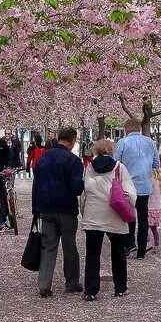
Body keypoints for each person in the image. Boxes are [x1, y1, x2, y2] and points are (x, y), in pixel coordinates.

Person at [31, 126, 85, 298]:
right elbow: (77, 188)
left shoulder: (43, 158)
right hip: (66, 208)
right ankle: (71, 283)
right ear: (72, 140)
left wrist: (35, 208)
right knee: (69, 246)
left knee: (48, 246)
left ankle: (44, 284)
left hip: (45, 207)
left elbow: (36, 184)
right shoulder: (73, 160)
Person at [79, 139, 131, 300]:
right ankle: (120, 287)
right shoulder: (119, 168)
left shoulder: (89, 168)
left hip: (94, 214)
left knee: (92, 253)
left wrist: (84, 212)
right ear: (112, 151)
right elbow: (130, 192)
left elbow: (84, 193)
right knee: (118, 252)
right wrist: (128, 210)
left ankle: (91, 290)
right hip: (114, 214)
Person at [113, 118, 161, 259]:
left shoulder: (122, 142)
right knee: (143, 217)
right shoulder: (150, 142)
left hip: (128, 185)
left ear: (127, 129)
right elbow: (156, 163)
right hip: (145, 185)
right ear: (139, 128)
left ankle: (129, 243)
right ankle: (141, 250)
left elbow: (115, 162)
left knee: (128, 215)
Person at [147, 167, 161, 250]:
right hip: (157, 208)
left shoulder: (151, 182)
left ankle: (147, 243)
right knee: (154, 229)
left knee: (145, 228)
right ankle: (156, 244)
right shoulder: (160, 183)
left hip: (149, 207)